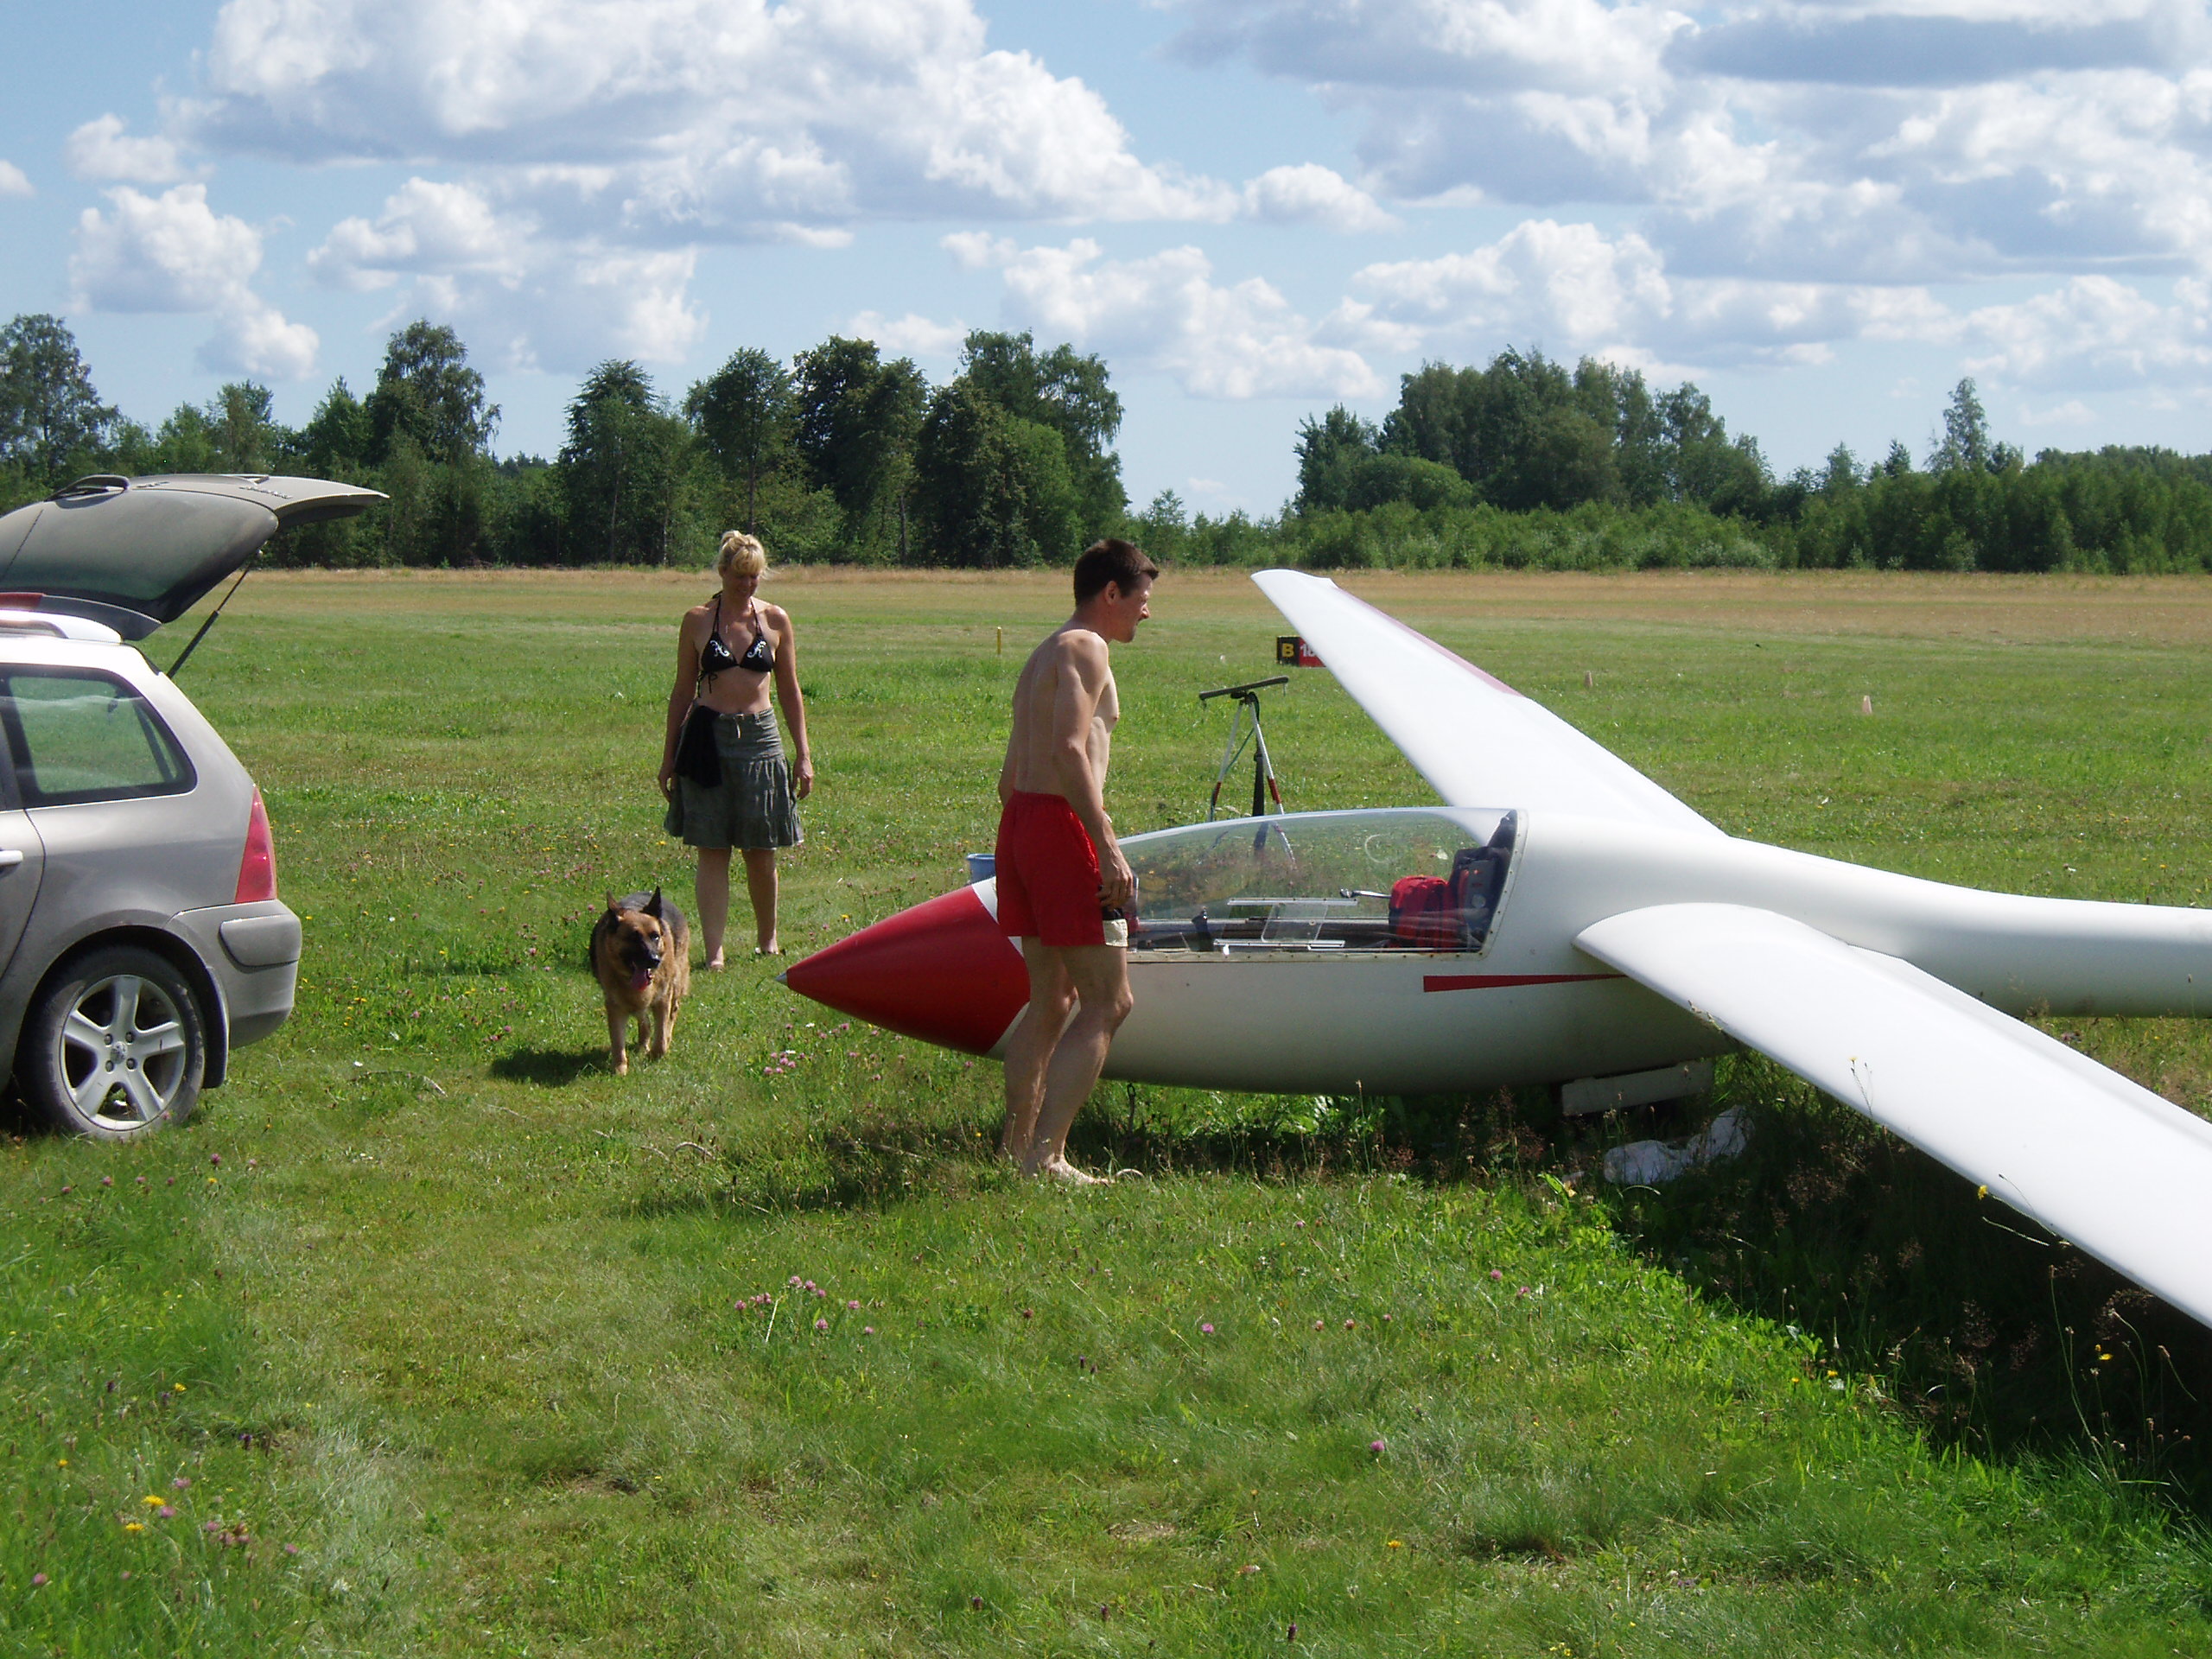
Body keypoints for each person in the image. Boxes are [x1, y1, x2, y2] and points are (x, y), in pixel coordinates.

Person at [995, 537, 1157, 1182]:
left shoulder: (1043, 652)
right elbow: (1068, 750)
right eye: (1142, 598)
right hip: (1061, 827)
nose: (1147, 612)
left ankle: (1015, 1147)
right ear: (1111, 593)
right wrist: (1105, 844)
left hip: (1023, 823)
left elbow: (1011, 777)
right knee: (1108, 1002)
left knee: (1050, 998)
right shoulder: (1087, 648)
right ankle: (1048, 1155)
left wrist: (1031, 837)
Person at [659, 531, 812, 966]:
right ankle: (715, 952)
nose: (748, 585)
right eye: (740, 576)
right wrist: (669, 756)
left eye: (755, 577)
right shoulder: (697, 620)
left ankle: (768, 940)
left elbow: (790, 690)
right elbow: (681, 691)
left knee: (762, 848)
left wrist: (802, 754)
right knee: (713, 848)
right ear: (722, 572)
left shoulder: (776, 620)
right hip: (707, 740)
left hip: (762, 739)